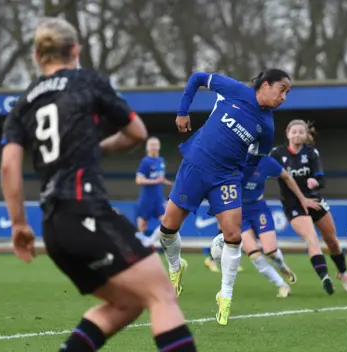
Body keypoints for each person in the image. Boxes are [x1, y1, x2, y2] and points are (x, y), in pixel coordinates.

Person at [0, 17, 253, 352]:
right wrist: (94, 149)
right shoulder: (87, 83)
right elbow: (136, 131)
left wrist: (18, 225)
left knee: (127, 303)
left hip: (54, 224)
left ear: (36, 56)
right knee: (161, 293)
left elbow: (9, 167)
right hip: (86, 210)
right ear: (76, 52)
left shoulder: (23, 102)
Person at [159, 68, 292, 326]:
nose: (284, 97)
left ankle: (226, 295)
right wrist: (183, 111)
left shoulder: (267, 126)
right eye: (282, 89)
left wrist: (240, 179)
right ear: (266, 85)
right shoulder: (236, 90)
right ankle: (176, 267)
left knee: (233, 236)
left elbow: (256, 160)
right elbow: (197, 77)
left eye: (288, 93)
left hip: (226, 178)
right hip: (196, 165)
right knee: (167, 229)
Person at [270, 120, 347, 296]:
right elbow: (262, 168)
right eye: (294, 132)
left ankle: (343, 273)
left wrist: (315, 181)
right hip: (293, 205)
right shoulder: (277, 153)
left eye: (301, 132)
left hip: (314, 201)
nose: (297, 135)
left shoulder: (311, 153)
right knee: (312, 239)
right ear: (287, 133)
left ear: (306, 135)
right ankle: (325, 277)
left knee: (332, 240)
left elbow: (322, 180)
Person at [241, 153, 321, 297]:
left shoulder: (266, 162)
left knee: (271, 251)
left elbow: (286, 176)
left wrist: (302, 198)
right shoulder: (232, 160)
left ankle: (282, 266)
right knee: (254, 255)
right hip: (238, 212)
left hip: (258, 209)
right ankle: (281, 285)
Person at [135, 136, 172, 245]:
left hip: (159, 198)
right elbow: (139, 180)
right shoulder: (145, 162)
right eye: (151, 145)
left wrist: (169, 183)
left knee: (167, 221)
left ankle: (151, 241)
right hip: (147, 198)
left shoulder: (161, 161)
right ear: (147, 148)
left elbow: (160, 178)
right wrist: (155, 181)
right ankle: (139, 249)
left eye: (155, 145)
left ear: (159, 146)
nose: (154, 147)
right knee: (142, 226)